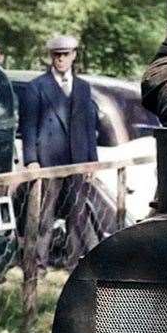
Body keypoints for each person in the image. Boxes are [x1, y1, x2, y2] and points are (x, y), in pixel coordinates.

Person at [18, 35, 101, 268]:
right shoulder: (36, 87)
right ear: (51, 57)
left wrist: (92, 161)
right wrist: (32, 160)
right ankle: (37, 264)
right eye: (57, 55)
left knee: (77, 214)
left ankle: (73, 263)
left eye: (65, 55)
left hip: (78, 160)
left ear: (74, 55)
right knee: (44, 215)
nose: (61, 59)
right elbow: (28, 127)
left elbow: (89, 126)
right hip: (48, 161)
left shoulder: (83, 88)